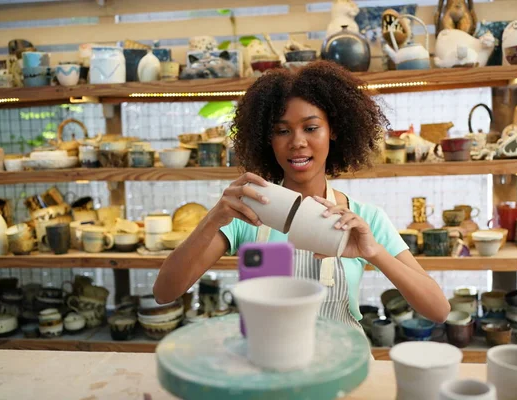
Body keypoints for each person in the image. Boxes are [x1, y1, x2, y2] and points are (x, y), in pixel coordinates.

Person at [153, 61, 450, 330]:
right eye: (282, 131)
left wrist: (374, 253)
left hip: (341, 373)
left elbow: (438, 310)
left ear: (333, 130)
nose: (297, 142)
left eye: (311, 128)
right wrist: (213, 218)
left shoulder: (364, 219)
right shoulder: (248, 213)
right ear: (267, 139)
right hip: (268, 371)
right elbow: (164, 292)